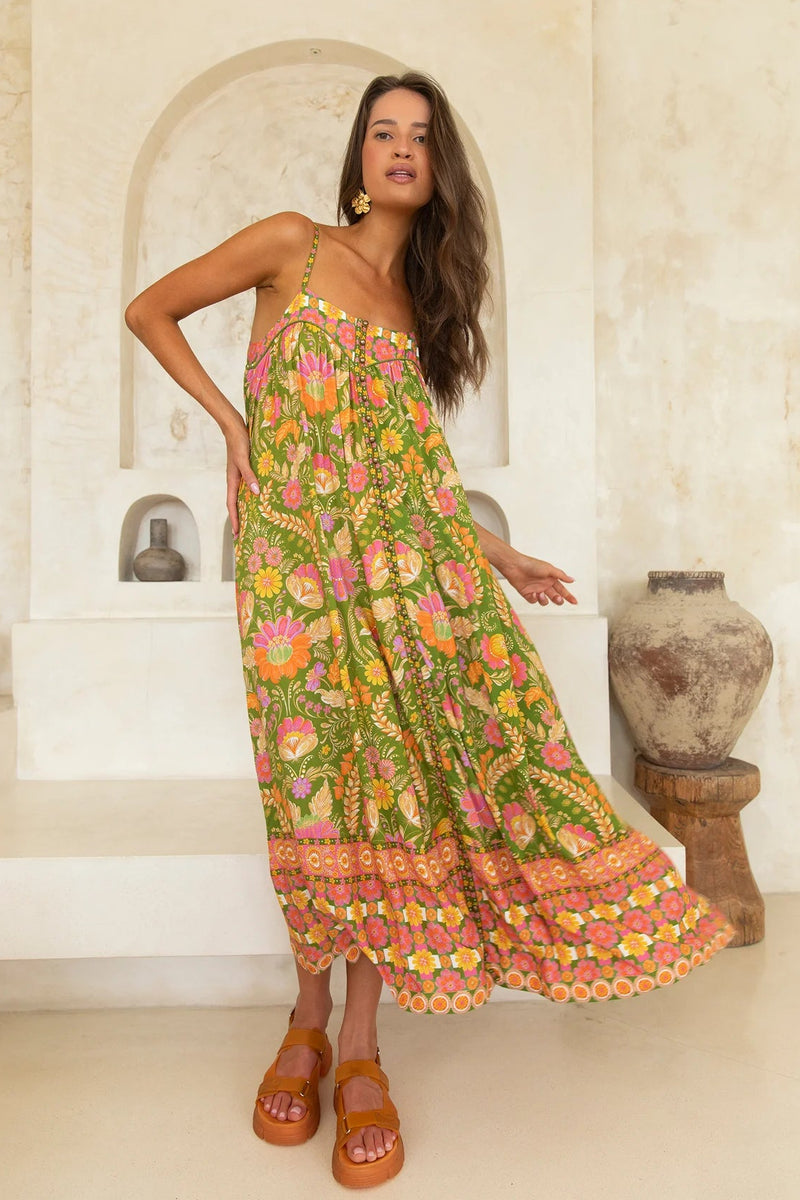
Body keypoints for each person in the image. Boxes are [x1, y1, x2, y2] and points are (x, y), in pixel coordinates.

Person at [125, 69, 735, 1189]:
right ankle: (301, 1018)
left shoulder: (415, 309)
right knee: (314, 788)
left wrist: (490, 550)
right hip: (294, 573)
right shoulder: (289, 244)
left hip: (408, 573)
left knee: (398, 785)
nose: (400, 149)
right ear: (357, 156)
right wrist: (229, 426)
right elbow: (147, 308)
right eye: (382, 133)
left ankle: (354, 1044)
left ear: (436, 166)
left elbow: (404, 465)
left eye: (419, 136)